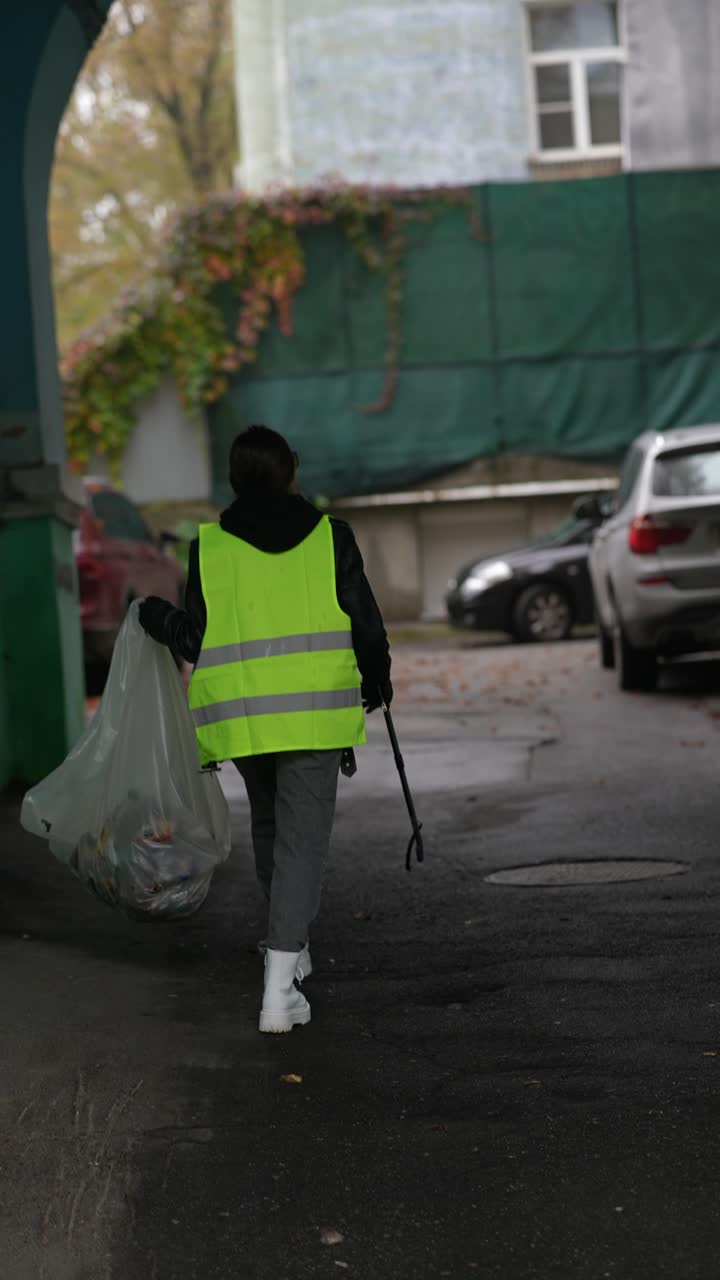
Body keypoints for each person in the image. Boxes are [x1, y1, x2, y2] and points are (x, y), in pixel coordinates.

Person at [138, 425, 392, 1034]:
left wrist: (156, 618)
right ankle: (279, 990)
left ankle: (292, 949)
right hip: (313, 714)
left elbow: (196, 639)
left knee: (274, 830)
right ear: (291, 472)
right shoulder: (332, 538)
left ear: (235, 480)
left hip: (244, 717)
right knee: (302, 842)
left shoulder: (212, 547)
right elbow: (363, 617)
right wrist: (378, 678)